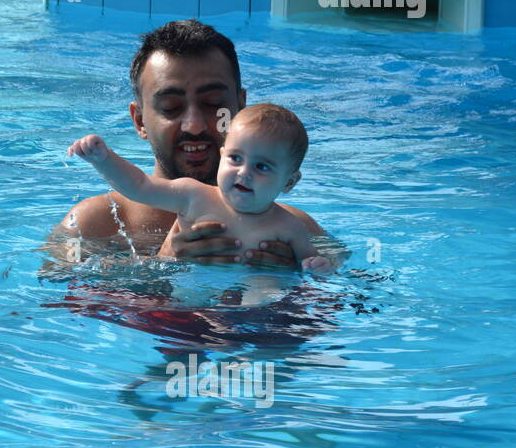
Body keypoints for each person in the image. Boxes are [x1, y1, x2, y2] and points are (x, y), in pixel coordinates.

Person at [55, 19, 332, 266]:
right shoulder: (91, 224)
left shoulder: (296, 229)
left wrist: (293, 278)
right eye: (171, 107)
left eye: (213, 104)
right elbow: (54, 301)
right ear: (140, 121)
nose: (195, 125)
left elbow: (350, 299)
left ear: (241, 106)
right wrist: (163, 265)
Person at [68, 102, 336, 276]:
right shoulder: (193, 196)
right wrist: (103, 159)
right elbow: (139, 186)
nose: (244, 172)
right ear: (222, 156)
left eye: (262, 167)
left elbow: (315, 267)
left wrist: (318, 267)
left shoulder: (290, 227)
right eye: (235, 159)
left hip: (255, 309)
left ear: (289, 182)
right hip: (186, 302)